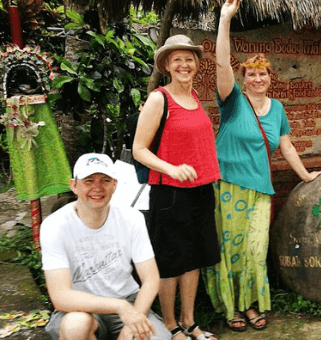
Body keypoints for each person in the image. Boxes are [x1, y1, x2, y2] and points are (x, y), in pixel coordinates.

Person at [207, 0, 321, 332]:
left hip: (259, 188)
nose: (257, 78)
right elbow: (221, 66)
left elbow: (286, 145)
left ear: (270, 78)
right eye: (251, 74)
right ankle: (232, 307)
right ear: (243, 79)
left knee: (256, 250)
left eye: (263, 73)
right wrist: (226, 20)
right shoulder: (232, 101)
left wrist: (305, 175)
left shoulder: (278, 110)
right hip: (227, 184)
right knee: (229, 249)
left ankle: (252, 304)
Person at [133, 34, 220, 340]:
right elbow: (139, 149)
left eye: (189, 59)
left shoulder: (194, 97)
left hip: (200, 190)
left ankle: (190, 321)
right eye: (177, 59)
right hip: (169, 193)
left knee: (194, 258)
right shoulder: (159, 99)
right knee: (171, 261)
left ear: (197, 64)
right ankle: (171, 324)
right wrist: (171, 168)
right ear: (167, 66)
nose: (184, 64)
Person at [41, 153, 171, 340]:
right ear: (74, 186)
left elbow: (151, 279)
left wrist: (134, 318)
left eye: (105, 180)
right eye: (89, 180)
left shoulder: (132, 218)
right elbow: (60, 296)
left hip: (129, 300)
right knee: (75, 326)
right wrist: (119, 306)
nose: (97, 188)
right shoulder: (55, 225)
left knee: (154, 337)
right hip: (81, 308)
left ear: (114, 185)